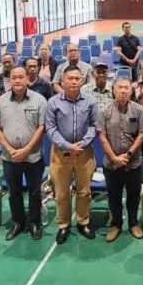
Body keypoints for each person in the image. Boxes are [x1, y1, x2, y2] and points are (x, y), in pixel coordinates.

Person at [0, 67, 47, 241]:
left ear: (27, 79)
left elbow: (41, 127)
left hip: (33, 156)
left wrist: (26, 149)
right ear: (9, 81)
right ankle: (18, 222)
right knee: (14, 192)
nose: (17, 80)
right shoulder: (1, 102)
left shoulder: (39, 100)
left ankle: (35, 223)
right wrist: (10, 149)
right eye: (13, 77)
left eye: (21, 77)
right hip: (10, 157)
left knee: (35, 192)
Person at [45, 66, 99, 244]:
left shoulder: (90, 101)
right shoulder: (53, 102)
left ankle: (83, 222)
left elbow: (94, 125)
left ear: (82, 81)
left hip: (84, 153)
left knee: (84, 192)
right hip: (60, 155)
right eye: (70, 78)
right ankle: (64, 225)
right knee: (61, 194)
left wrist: (82, 144)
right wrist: (68, 146)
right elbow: (50, 129)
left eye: (77, 78)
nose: (74, 82)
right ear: (62, 81)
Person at [98, 77, 143, 242]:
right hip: (111, 164)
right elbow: (102, 136)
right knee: (114, 196)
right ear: (113, 90)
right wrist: (114, 158)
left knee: (134, 195)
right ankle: (116, 224)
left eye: (126, 88)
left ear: (131, 91)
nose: (123, 91)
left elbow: (142, 133)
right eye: (119, 87)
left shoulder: (138, 110)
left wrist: (128, 154)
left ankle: (133, 223)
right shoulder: (104, 111)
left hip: (133, 163)